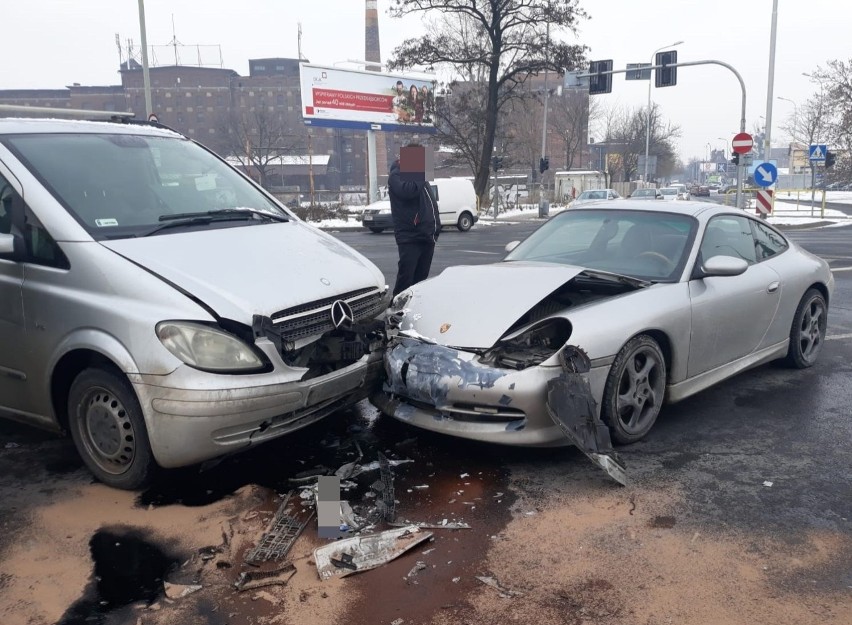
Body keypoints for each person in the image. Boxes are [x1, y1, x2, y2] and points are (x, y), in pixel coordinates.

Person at [388, 150, 440, 296]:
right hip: (410, 236)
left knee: (421, 279)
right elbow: (408, 191)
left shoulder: (420, 180)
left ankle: (414, 306)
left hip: (426, 236)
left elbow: (430, 205)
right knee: (406, 278)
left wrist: (436, 230)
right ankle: (396, 308)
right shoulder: (396, 176)